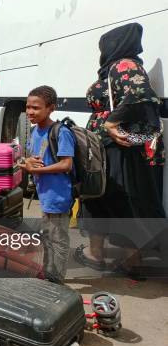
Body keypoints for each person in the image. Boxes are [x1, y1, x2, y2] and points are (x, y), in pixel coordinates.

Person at [76, 23, 165, 279]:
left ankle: (128, 260)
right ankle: (110, 257)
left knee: (114, 197)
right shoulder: (117, 67)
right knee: (104, 196)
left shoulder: (125, 64)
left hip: (116, 148)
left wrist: (112, 122)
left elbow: (141, 94)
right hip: (108, 147)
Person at [19, 86, 75, 284]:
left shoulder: (61, 132)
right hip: (45, 195)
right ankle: (49, 273)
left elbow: (66, 164)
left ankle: (56, 280)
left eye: (36, 107)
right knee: (48, 236)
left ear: (51, 108)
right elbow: (27, 158)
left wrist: (36, 171)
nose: (30, 112)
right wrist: (26, 163)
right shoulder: (35, 131)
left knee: (58, 239)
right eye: (28, 107)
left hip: (58, 195)